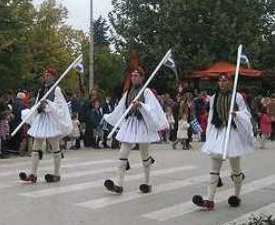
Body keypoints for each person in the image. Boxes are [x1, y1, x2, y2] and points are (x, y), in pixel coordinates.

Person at [192, 74, 255, 210]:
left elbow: (246, 114)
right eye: (220, 81)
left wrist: (236, 114)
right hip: (219, 132)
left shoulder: (237, 97)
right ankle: (209, 199)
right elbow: (211, 117)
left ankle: (236, 196)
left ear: (230, 82)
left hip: (232, 134)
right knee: (214, 168)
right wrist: (208, 135)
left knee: (235, 168)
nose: (221, 83)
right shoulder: (214, 97)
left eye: (224, 80)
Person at [103, 66, 169, 194]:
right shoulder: (128, 92)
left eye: (136, 76)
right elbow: (121, 108)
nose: (133, 78)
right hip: (130, 124)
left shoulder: (146, 92)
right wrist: (110, 117)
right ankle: (119, 184)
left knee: (144, 156)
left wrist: (141, 105)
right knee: (123, 153)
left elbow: (153, 108)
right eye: (132, 76)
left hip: (142, 125)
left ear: (142, 77)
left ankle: (147, 183)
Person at [18, 67, 73, 183]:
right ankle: (33, 174)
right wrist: (39, 108)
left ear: (53, 77)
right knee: (36, 146)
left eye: (48, 75)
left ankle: (57, 174)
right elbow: (38, 102)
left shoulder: (56, 89)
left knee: (55, 147)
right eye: (45, 75)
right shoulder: (42, 89)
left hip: (51, 119)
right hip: (42, 119)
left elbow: (60, 106)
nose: (45, 77)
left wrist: (47, 106)